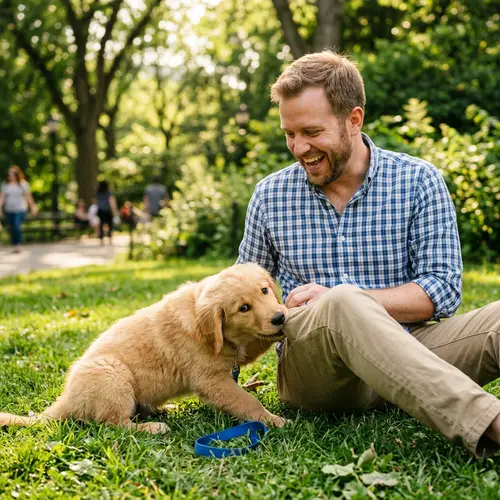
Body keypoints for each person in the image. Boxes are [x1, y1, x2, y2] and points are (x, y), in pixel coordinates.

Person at [237, 50, 500, 457]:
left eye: (311, 132)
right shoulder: (270, 195)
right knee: (341, 302)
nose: (298, 147)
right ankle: (492, 424)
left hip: (412, 354)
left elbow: (443, 289)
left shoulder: (418, 180)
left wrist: (354, 297)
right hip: (318, 374)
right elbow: (239, 295)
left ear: (353, 119)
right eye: (289, 134)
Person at [0, 165, 38, 253]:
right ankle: (14, 245)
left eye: (12, 174)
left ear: (17, 175)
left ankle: (18, 244)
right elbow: (2, 197)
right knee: (12, 228)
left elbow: (28, 197)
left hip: (20, 209)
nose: (10, 176)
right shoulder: (5, 185)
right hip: (9, 209)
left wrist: (33, 207)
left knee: (16, 226)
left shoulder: (23, 184)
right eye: (9, 174)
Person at [95, 180, 120, 245]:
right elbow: (112, 202)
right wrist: (115, 211)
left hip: (100, 210)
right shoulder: (109, 193)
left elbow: (96, 202)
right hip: (107, 210)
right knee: (109, 224)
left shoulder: (98, 193)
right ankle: (109, 239)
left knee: (101, 224)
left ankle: (101, 240)